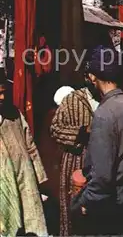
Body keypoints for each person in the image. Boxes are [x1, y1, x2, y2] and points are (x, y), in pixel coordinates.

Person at [71, 46, 123, 235]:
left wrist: (87, 202)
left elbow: (102, 174)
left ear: (93, 77)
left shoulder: (105, 114)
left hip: (109, 203)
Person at [0, 71, 48, 236]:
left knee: (30, 222)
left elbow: (30, 145)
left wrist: (39, 177)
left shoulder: (14, 114)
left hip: (24, 177)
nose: (1, 97)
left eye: (3, 93)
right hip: (3, 185)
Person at [50, 76, 98, 236]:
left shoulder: (114, 101)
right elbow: (56, 129)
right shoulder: (72, 100)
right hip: (76, 161)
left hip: (104, 162)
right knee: (74, 211)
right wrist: (81, 133)